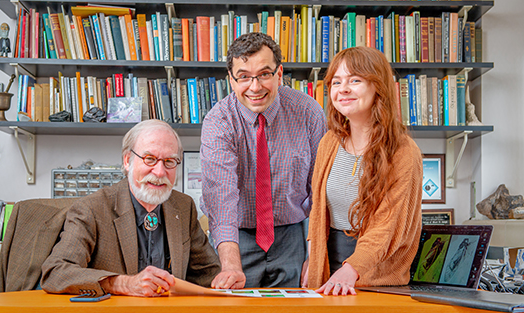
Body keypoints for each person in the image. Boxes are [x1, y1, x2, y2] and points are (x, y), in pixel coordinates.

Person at [200, 32, 327, 289]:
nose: (255, 87)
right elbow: (221, 197)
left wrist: (315, 256)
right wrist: (231, 265)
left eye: (264, 74)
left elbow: (320, 189)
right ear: (231, 80)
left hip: (293, 232)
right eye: (244, 76)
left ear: (279, 74)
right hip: (236, 235)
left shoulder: (308, 112)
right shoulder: (218, 121)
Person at [41, 120, 221, 297]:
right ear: (127, 161)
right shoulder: (92, 208)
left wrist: (226, 278)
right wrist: (122, 283)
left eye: (169, 161)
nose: (159, 172)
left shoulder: (183, 207)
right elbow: (55, 272)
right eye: (150, 159)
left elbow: (208, 273)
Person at [303, 47, 423, 296]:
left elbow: (387, 226)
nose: (343, 89)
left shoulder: (403, 151)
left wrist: (352, 268)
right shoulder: (329, 142)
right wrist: (312, 260)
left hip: (377, 278)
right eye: (337, 82)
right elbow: (317, 211)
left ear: (377, 86)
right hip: (327, 271)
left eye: (354, 80)